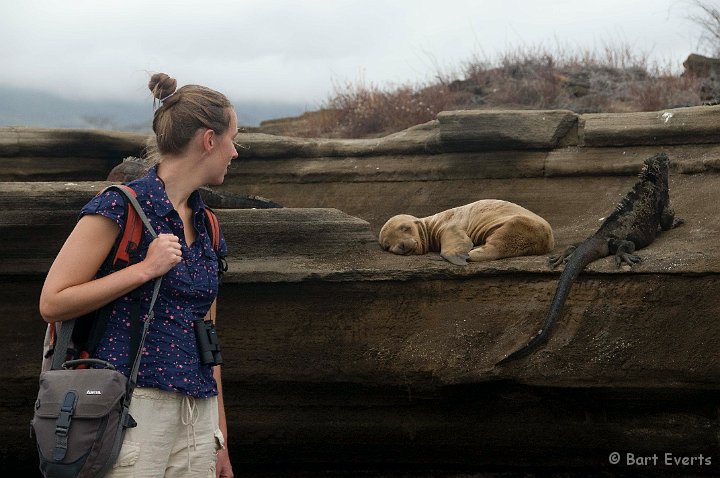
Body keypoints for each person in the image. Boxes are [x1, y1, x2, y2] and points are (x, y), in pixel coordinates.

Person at [39, 72, 238, 478]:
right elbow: (53, 301)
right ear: (209, 140)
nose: (236, 152)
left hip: (196, 415)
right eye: (234, 138)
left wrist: (219, 433)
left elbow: (208, 334)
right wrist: (144, 270)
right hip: (129, 408)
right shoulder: (121, 206)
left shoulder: (209, 227)